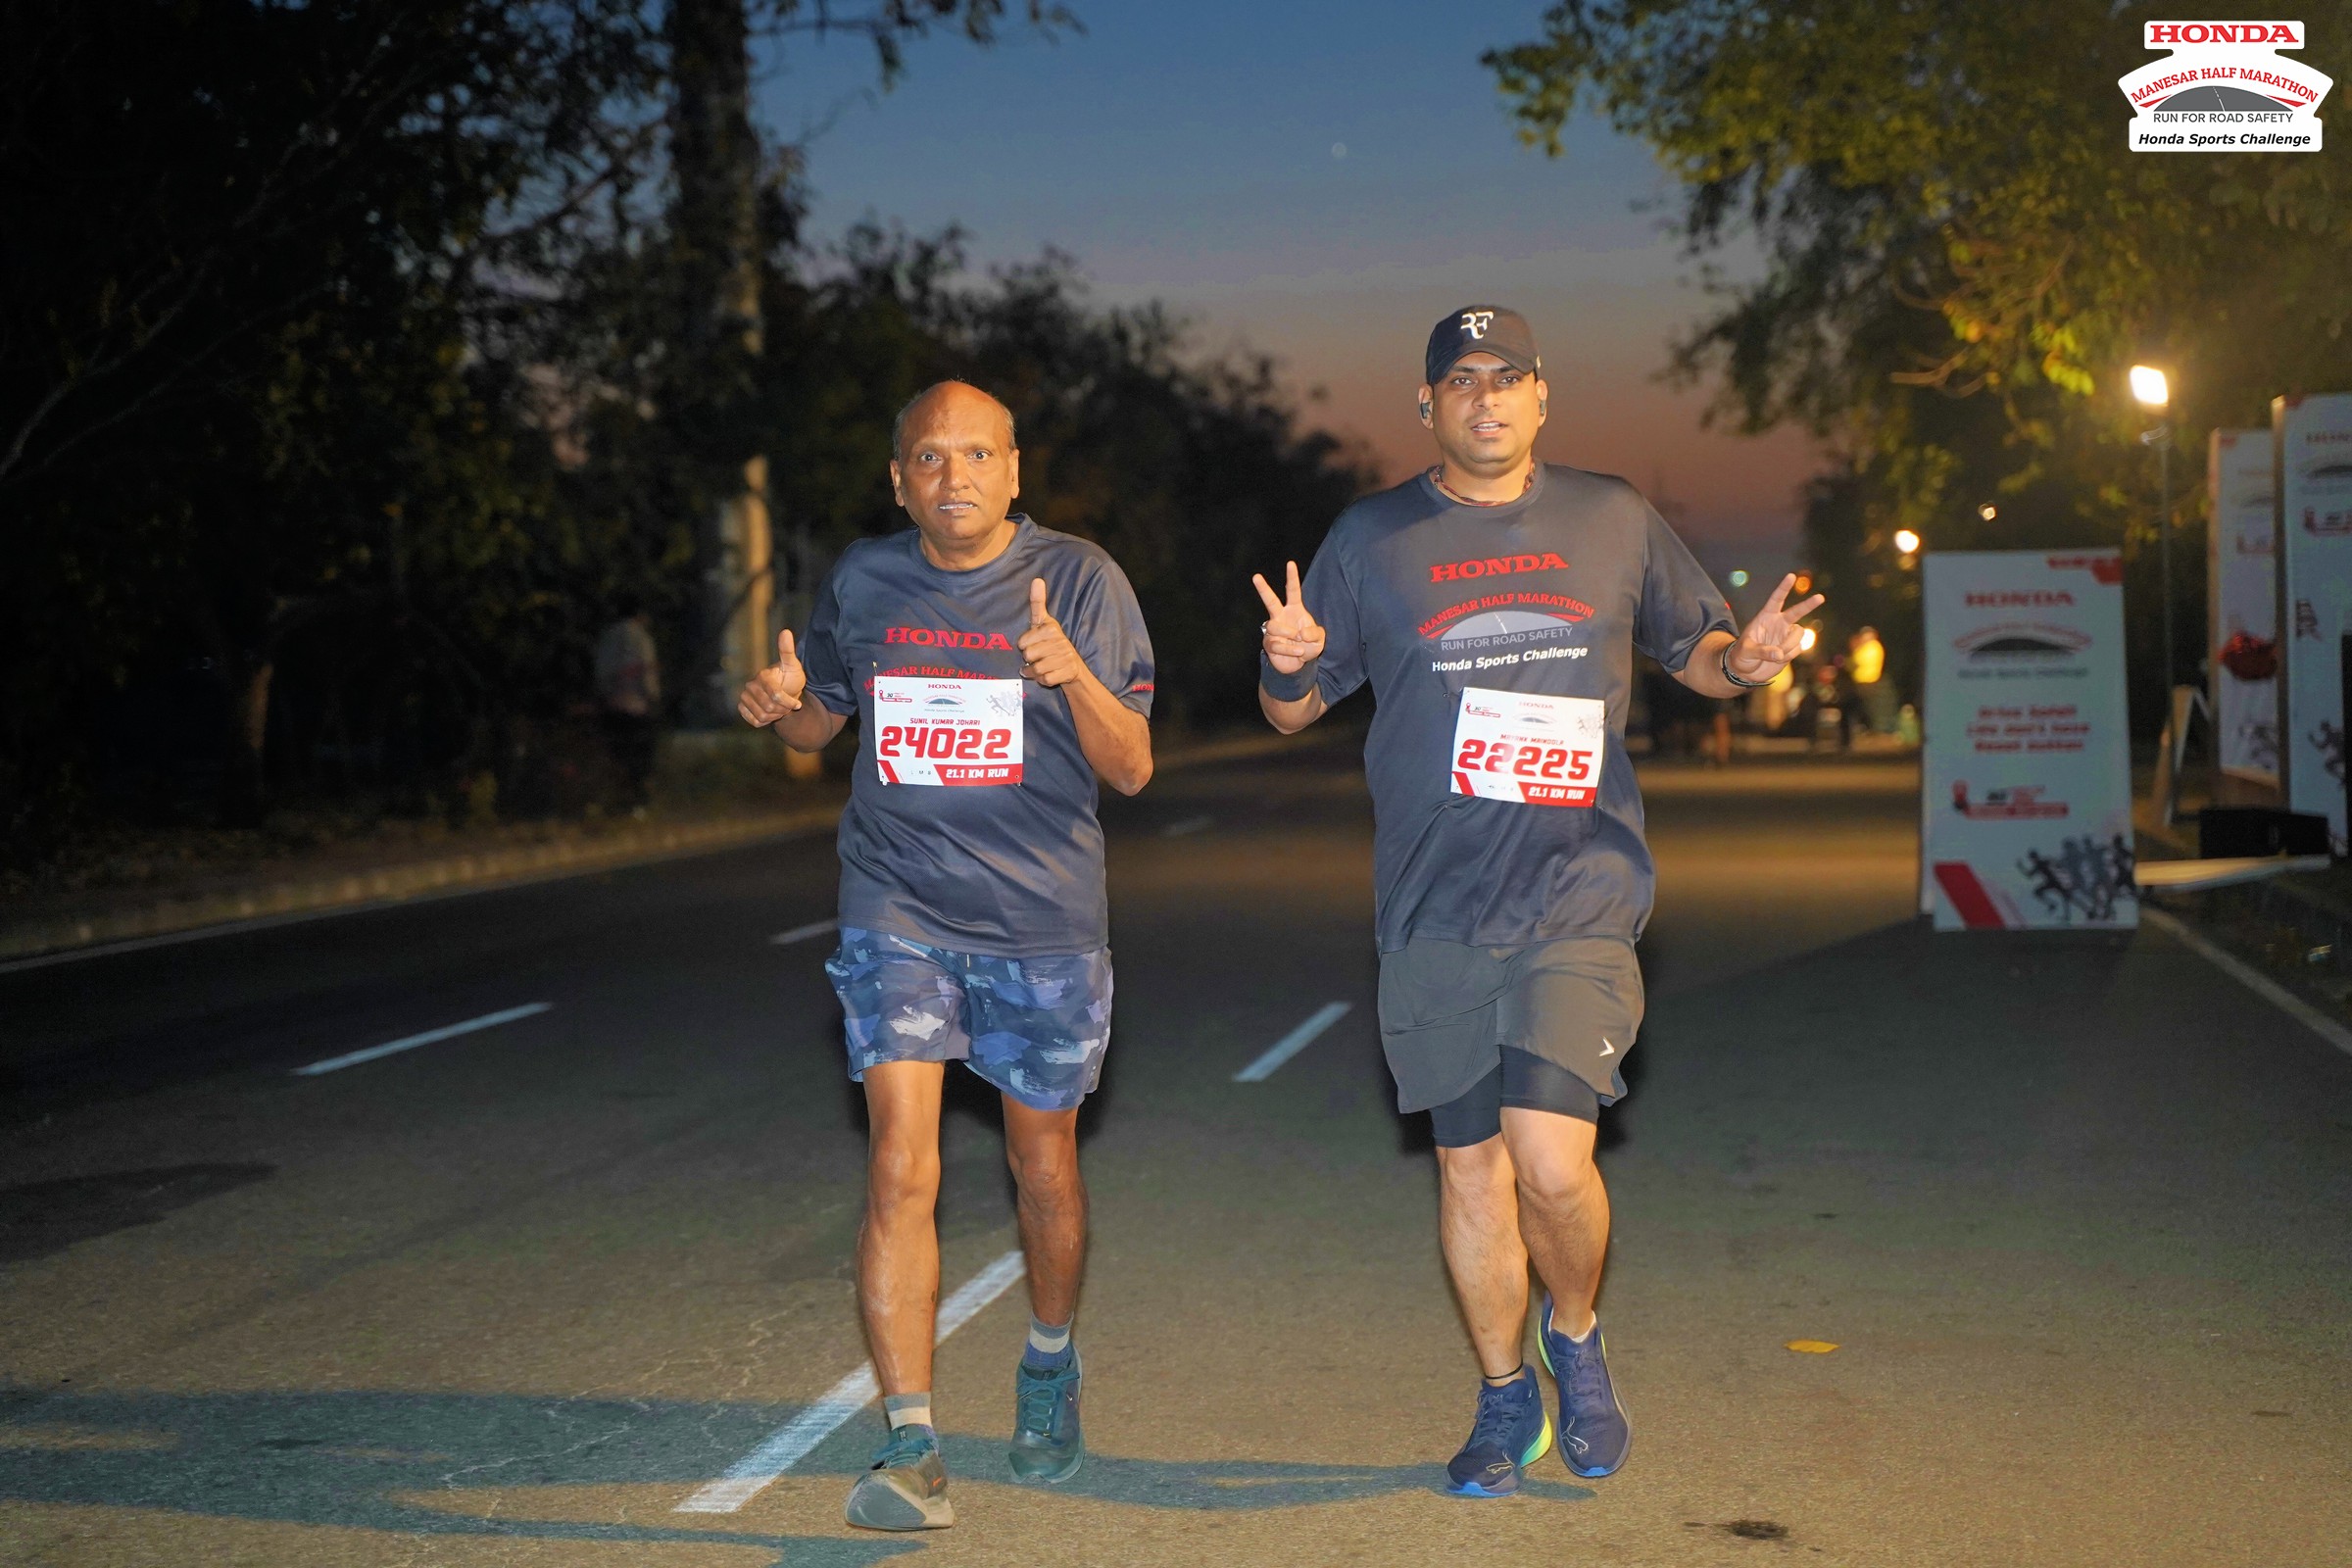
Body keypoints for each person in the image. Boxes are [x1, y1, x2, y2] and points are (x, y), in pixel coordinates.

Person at [1251, 306, 1819, 1496]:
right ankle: (1505, 1394)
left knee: (1551, 1163)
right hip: (1433, 905)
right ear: (1428, 406)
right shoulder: (1371, 537)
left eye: (1507, 377)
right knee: (1470, 1169)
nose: (1486, 397)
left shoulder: (1612, 516)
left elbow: (1699, 651)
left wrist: (1746, 662)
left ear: (1542, 397)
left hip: (1578, 888)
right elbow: (1293, 710)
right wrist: (1286, 662)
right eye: (1461, 380)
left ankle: (1576, 1334)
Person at [736, 380, 1154, 1532]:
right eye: (930, 456)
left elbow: (1132, 767)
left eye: (976, 454)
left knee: (1042, 1164)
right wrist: (783, 707)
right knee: (899, 1164)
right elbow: (823, 717)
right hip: (898, 903)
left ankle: (1050, 1358)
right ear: (899, 479)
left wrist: (1070, 672)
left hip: (1041, 920)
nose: (953, 474)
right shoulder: (866, 580)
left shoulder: (1080, 580)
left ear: (1014, 471)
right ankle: (912, 1440)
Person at [593, 597, 662, 808]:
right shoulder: (640, 638)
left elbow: (602, 673)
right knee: (639, 758)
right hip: (636, 707)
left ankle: (616, 800)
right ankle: (637, 801)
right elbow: (647, 672)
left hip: (612, 706)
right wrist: (653, 696)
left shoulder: (608, 636)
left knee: (617, 756)